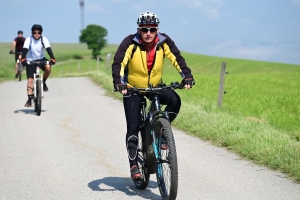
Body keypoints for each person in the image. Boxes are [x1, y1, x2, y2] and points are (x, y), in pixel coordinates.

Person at [112, 11, 195, 180]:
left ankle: (162, 132)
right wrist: (119, 82)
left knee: (174, 100)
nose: (148, 33)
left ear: (157, 30)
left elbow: (176, 58)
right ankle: (134, 165)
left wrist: (186, 75)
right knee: (133, 126)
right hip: (132, 88)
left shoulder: (164, 42)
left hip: (154, 86)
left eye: (152, 29)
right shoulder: (130, 42)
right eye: (144, 30)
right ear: (139, 30)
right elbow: (119, 62)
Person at [21, 24, 56, 107]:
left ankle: (43, 81)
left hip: (41, 59)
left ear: (41, 33)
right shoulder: (28, 40)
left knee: (48, 66)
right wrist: (23, 59)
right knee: (30, 81)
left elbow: (48, 49)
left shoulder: (44, 39)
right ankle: (29, 99)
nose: (36, 34)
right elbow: (25, 50)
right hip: (30, 60)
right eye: (34, 32)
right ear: (32, 33)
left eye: (38, 33)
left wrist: (52, 58)